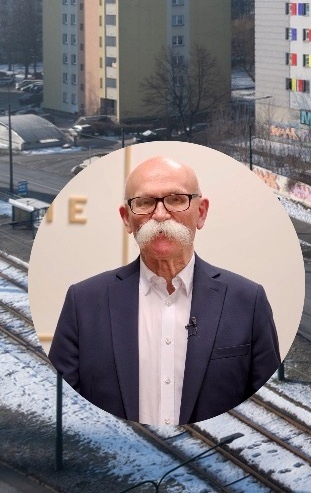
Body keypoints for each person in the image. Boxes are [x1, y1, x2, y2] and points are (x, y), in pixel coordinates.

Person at [49, 155, 280, 425]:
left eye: (176, 199)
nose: (160, 214)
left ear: (201, 212)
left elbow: (267, 405)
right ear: (126, 219)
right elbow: (64, 408)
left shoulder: (248, 301)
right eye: (145, 202)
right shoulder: (84, 303)